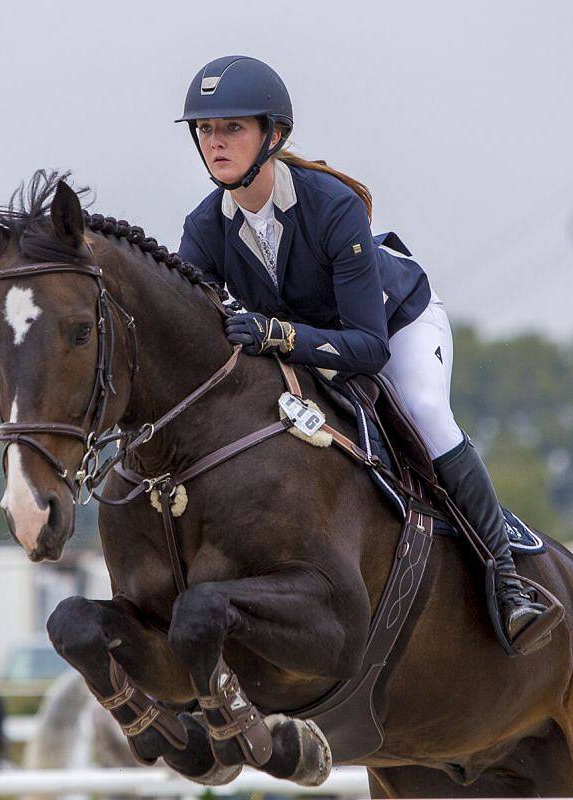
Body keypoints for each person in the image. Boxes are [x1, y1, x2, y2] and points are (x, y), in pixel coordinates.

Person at [175, 55, 547, 649]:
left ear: (273, 135)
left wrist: (278, 336)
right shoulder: (203, 229)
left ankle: (506, 579)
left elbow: (369, 348)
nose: (216, 143)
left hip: (394, 325)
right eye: (205, 131)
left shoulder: (331, 205)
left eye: (232, 129)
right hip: (309, 345)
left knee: (425, 411)